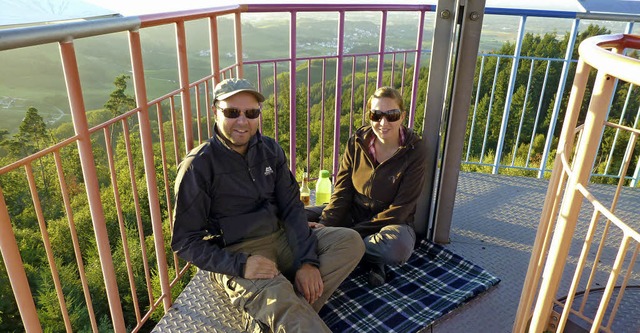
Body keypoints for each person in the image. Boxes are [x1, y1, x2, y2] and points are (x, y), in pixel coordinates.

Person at [171, 78, 365, 332]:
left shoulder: (270, 150)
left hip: (279, 237)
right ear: (214, 111)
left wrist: (308, 262)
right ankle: (281, 307)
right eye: (232, 112)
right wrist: (241, 265)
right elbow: (185, 242)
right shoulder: (198, 166)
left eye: (251, 113)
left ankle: (269, 312)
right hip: (238, 252)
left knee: (349, 242)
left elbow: (292, 207)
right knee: (298, 321)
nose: (243, 121)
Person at [308, 86, 427, 287]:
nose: (383, 123)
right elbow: (343, 189)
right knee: (296, 216)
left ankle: (340, 249)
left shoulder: (414, 150)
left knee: (396, 248)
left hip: (391, 223)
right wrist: (327, 224)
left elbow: (401, 209)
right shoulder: (358, 142)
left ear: (403, 116)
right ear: (369, 115)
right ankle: (368, 260)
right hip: (352, 210)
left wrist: (352, 233)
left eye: (392, 115)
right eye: (376, 115)